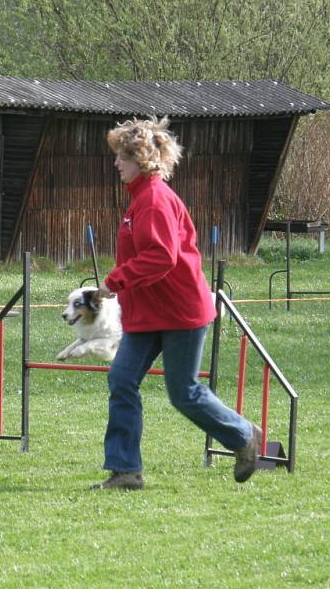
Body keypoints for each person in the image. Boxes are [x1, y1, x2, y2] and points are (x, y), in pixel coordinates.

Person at [93, 116, 263, 490]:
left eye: (122, 156)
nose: (116, 162)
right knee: (122, 379)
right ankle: (125, 471)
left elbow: (161, 256)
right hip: (148, 314)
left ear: (142, 159)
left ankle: (244, 435)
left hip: (180, 312)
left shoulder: (153, 200)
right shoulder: (139, 198)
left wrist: (115, 281)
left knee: (183, 393)